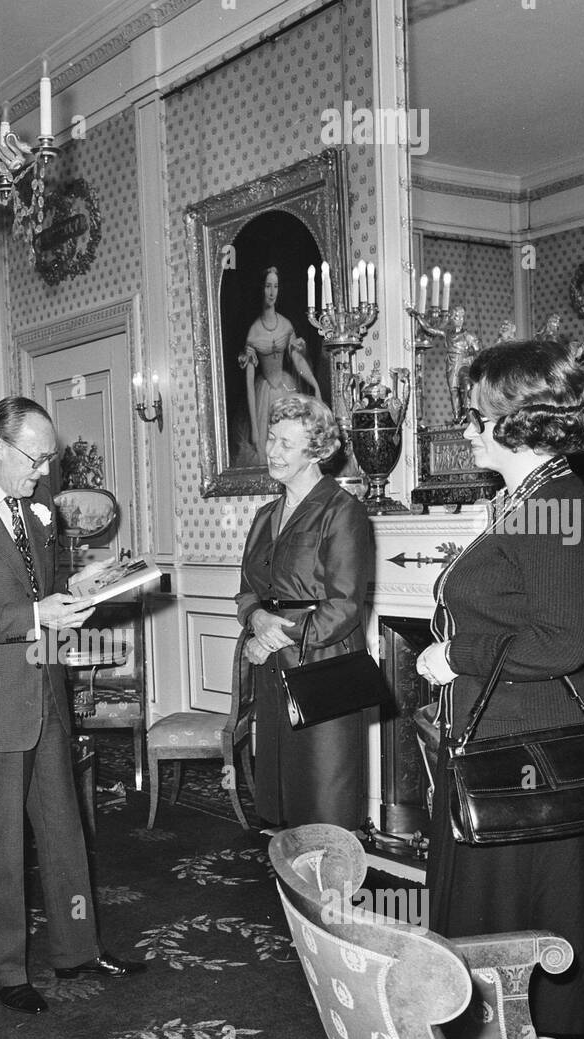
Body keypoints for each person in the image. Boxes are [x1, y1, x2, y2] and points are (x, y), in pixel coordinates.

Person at [416, 340, 584, 1039]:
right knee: (493, 926)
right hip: (500, 745)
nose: (467, 430)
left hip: (526, 761)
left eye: (475, 416)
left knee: (515, 928)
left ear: (518, 419)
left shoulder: (555, 503)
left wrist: (456, 656)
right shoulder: (528, 499)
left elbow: (564, 642)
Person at [0, 396, 146, 1014]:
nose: (44, 471)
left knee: (64, 827)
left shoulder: (36, 514)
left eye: (49, 459)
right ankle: (6, 970)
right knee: (2, 841)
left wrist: (72, 598)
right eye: (35, 457)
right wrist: (33, 615)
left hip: (43, 688)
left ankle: (77, 949)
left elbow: (37, 597)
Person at [235, 394, 373, 829]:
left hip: (323, 666)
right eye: (271, 439)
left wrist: (277, 634)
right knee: (285, 793)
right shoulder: (264, 516)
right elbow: (246, 592)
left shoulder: (342, 511)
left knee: (325, 791)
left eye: (286, 444)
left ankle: (331, 890)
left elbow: (344, 605)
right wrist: (256, 619)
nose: (273, 452)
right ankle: (294, 888)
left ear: (316, 450)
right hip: (273, 667)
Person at [239, 266, 321, 467]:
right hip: (264, 395)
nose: (271, 292)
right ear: (261, 288)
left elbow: (298, 361)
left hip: (286, 388)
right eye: (268, 286)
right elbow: (249, 384)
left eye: (275, 286)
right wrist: (255, 430)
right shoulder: (254, 331)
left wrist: (315, 385)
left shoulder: (285, 325)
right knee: (268, 451)